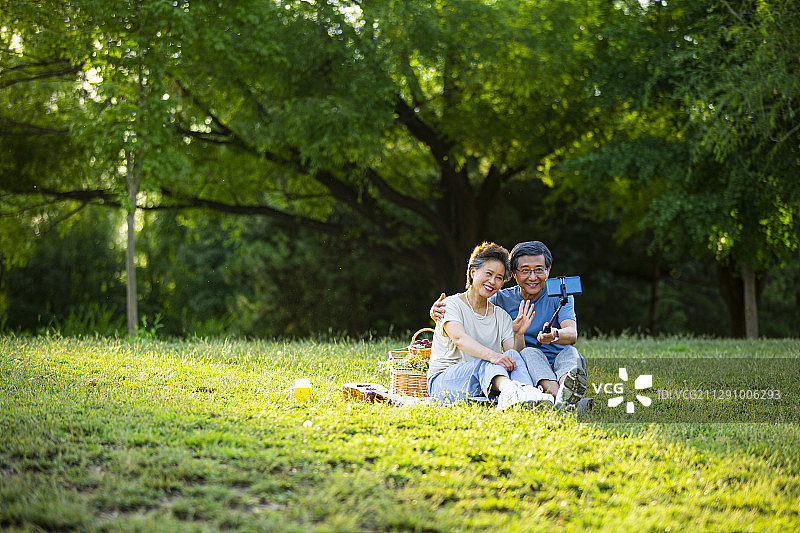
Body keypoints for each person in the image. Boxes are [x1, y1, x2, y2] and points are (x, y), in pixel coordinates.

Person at [431, 241, 587, 409]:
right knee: (515, 356)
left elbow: (515, 354)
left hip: (511, 370)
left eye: (498, 277)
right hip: (472, 373)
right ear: (514, 274)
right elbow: (461, 333)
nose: (532, 277)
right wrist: (436, 312)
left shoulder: (502, 313)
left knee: (567, 353)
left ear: (548, 270)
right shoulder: (490, 300)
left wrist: (523, 334)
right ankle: (550, 398)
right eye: (525, 270)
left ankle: (541, 396)